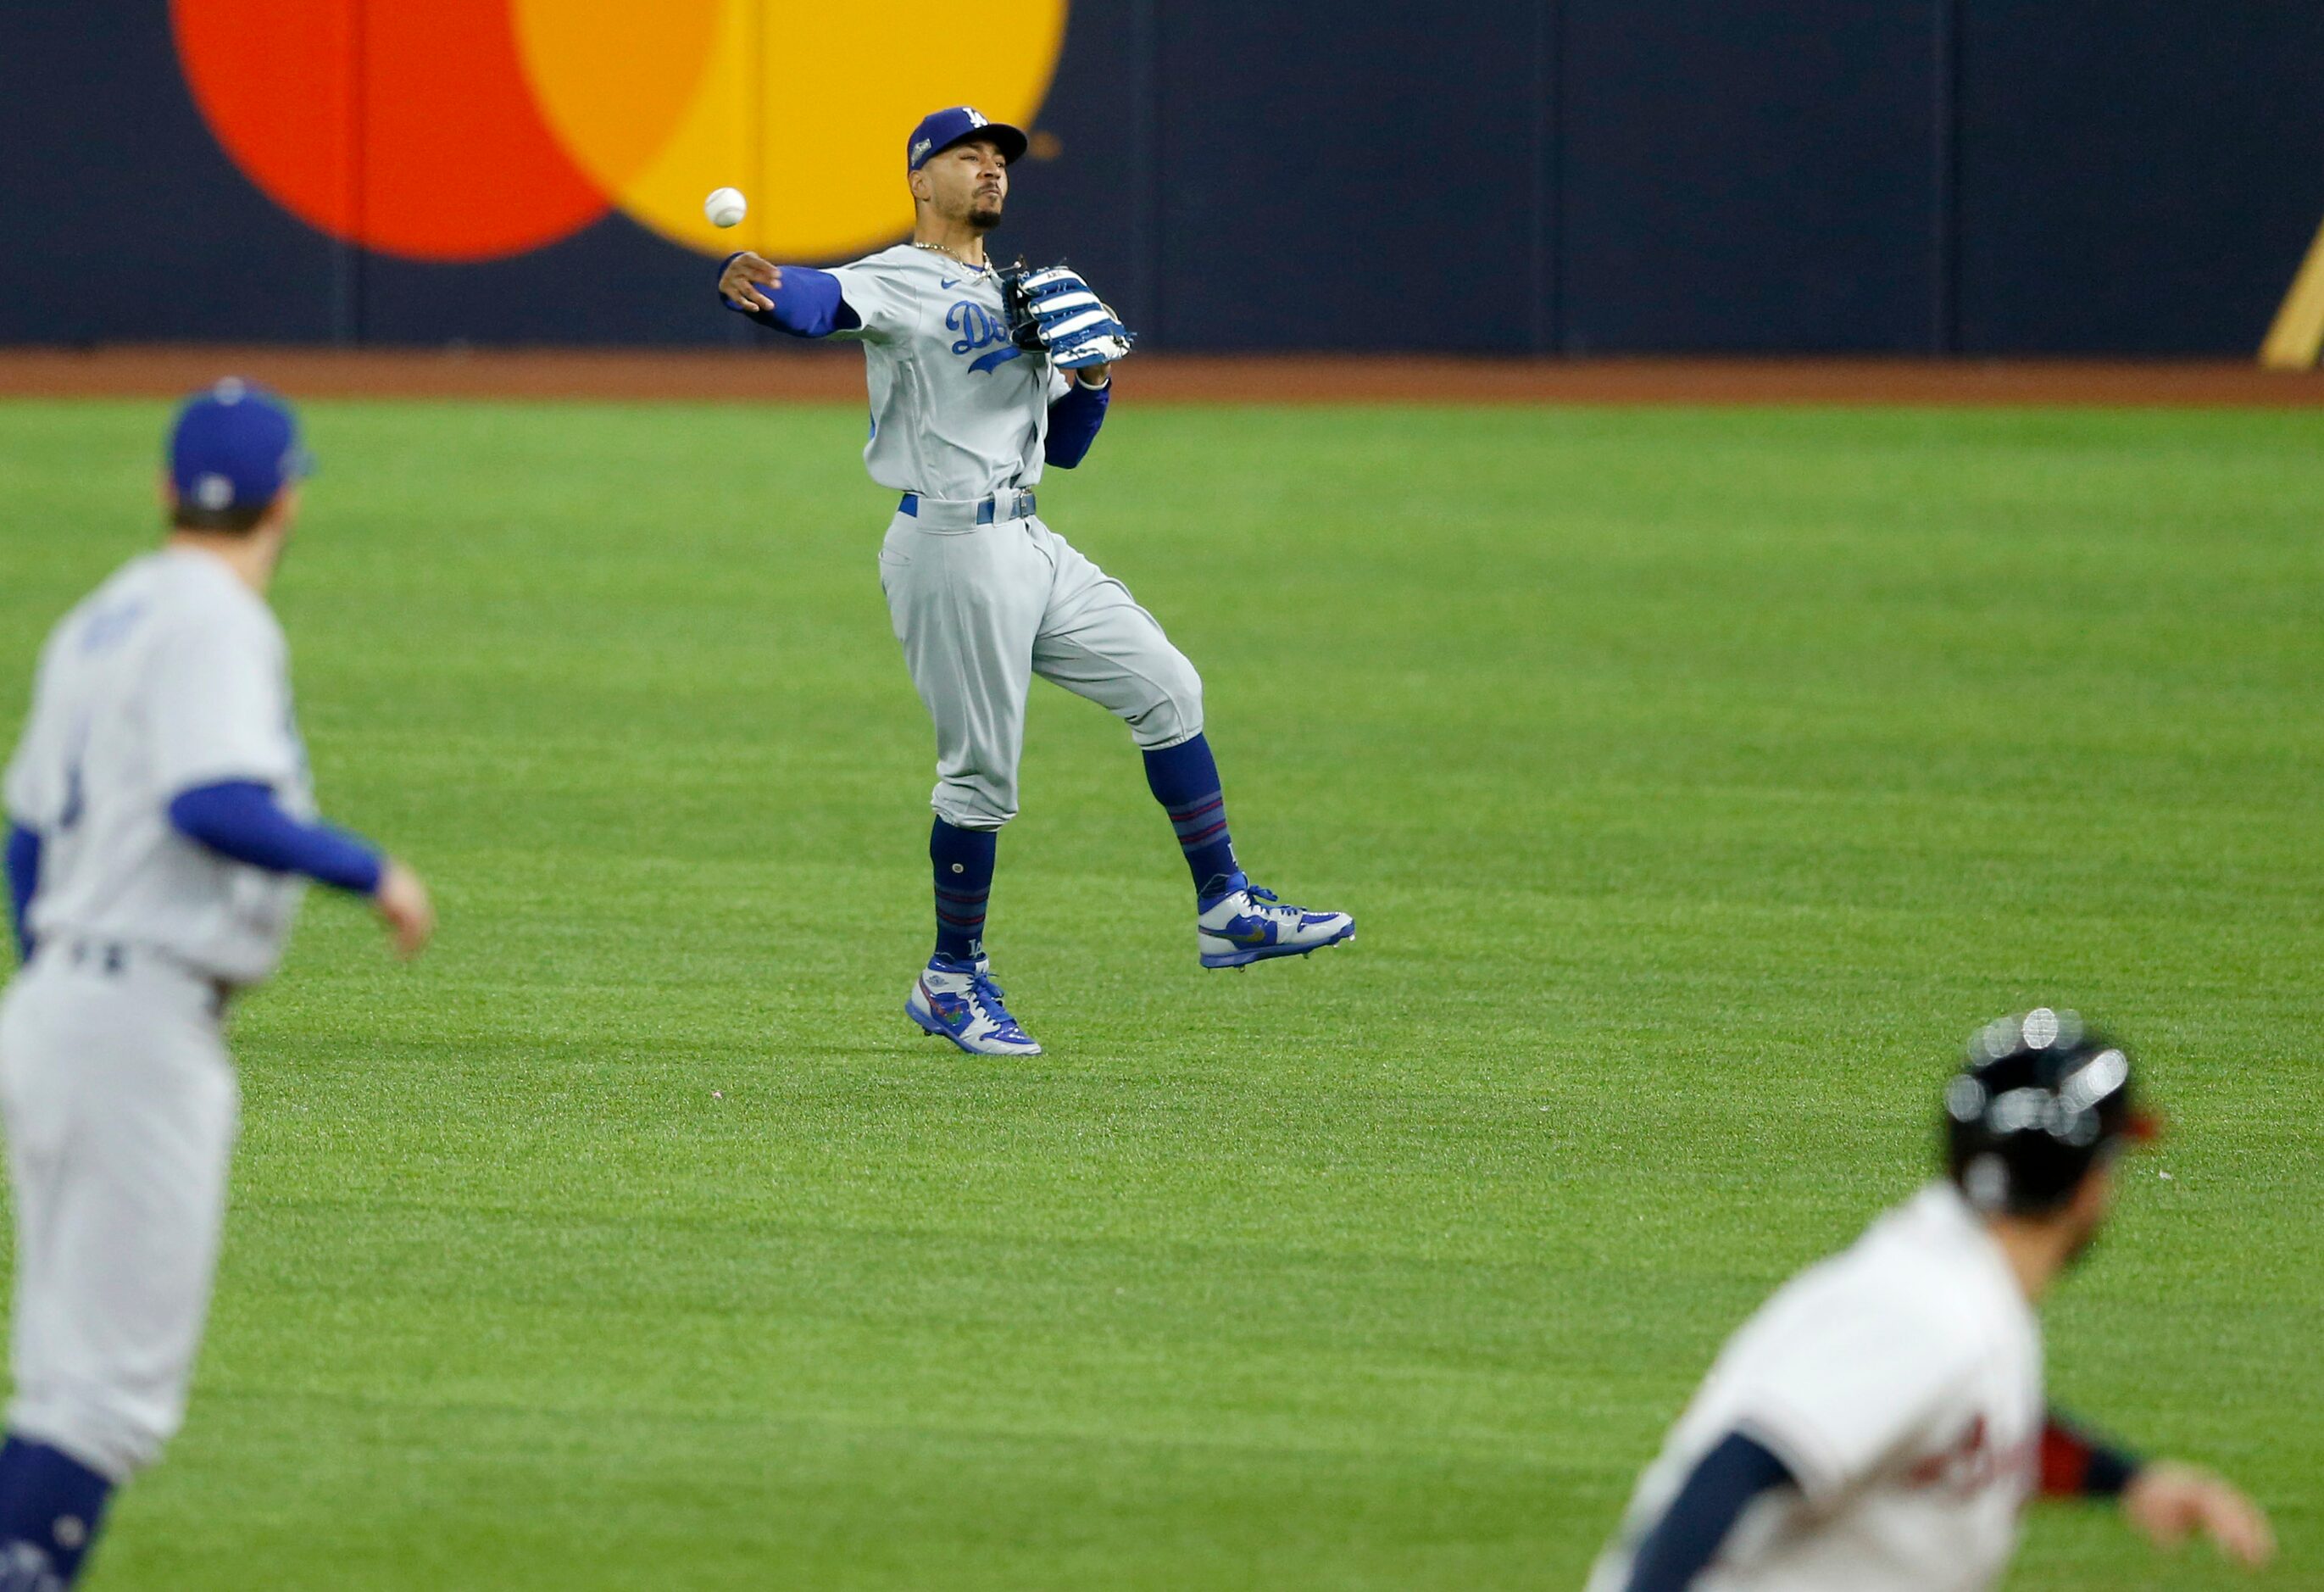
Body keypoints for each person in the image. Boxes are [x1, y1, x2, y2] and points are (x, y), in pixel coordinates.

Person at [715, 107, 1354, 1057]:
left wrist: (1091, 378)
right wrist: (756, 289)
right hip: (949, 550)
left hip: (1030, 540)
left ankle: (1225, 908)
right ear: (919, 181)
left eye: (999, 158)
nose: (990, 170)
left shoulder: (1026, 294)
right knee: (981, 778)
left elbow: (1067, 450)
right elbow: (818, 303)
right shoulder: (900, 277)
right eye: (966, 156)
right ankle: (951, 978)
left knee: (1168, 686)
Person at [0, 380, 434, 1588]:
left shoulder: (104, 614)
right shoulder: (217, 622)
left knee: (65, 1389)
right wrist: (372, 870)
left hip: (57, 1018)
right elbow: (213, 798)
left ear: (161, 493)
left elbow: (26, 836)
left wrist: (60, 993)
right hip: (134, 1026)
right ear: (287, 498)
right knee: (105, 1408)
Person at [1588, 1009, 2275, 1591]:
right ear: (2088, 1188)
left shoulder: (1963, 1290)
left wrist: (2128, 1482)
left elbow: (1969, 1429)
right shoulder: (1923, 1308)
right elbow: (1731, 1467)